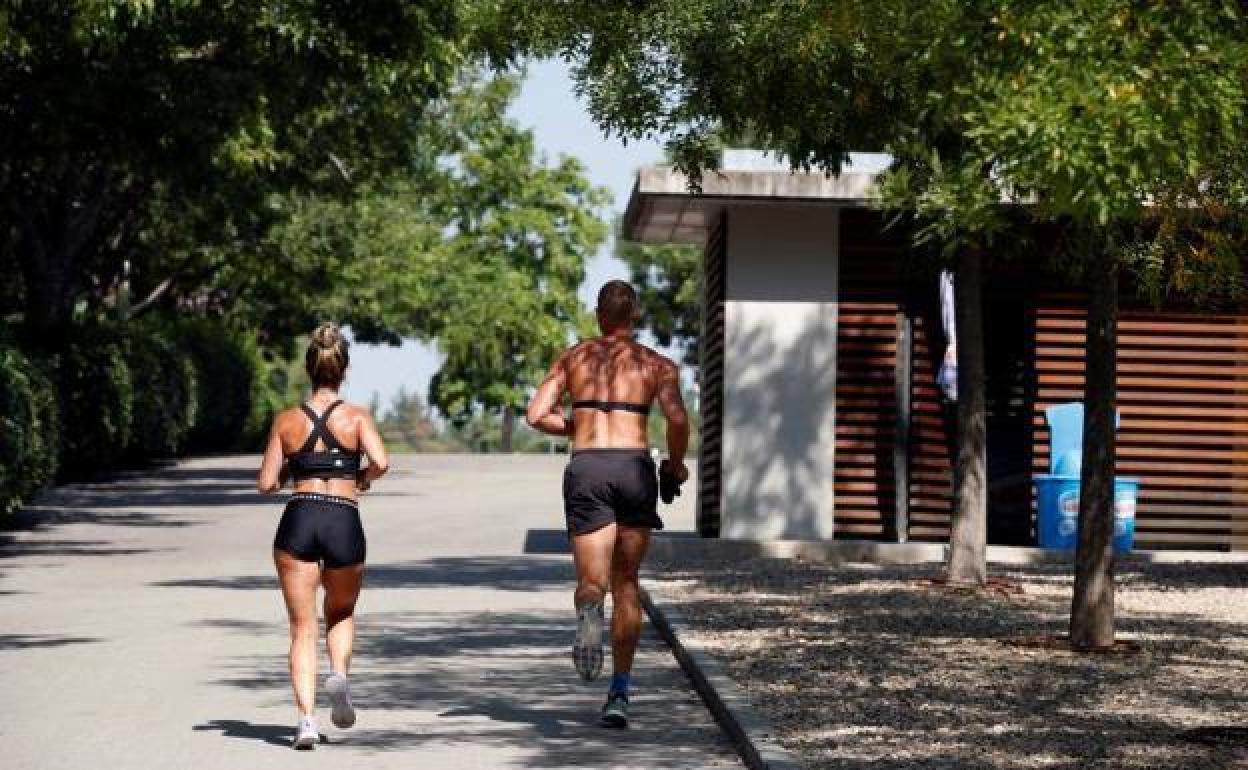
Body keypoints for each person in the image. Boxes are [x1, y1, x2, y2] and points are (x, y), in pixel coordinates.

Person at [526, 280, 690, 729]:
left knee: (592, 580)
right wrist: (675, 465)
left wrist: (576, 427)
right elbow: (676, 418)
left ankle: (588, 609)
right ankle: (619, 692)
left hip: (588, 468)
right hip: (634, 469)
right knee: (628, 582)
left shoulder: (574, 357)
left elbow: (535, 413)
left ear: (598, 315)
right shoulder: (657, 365)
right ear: (633, 315)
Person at [257, 323, 390, 750]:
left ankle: (306, 722)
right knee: (341, 612)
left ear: (308, 369)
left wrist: (285, 476)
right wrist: (361, 479)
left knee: (301, 628)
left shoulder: (287, 419)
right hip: (343, 519)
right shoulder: (357, 417)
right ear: (343, 370)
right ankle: (340, 675)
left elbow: (265, 483)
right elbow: (382, 462)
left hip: (298, 517)